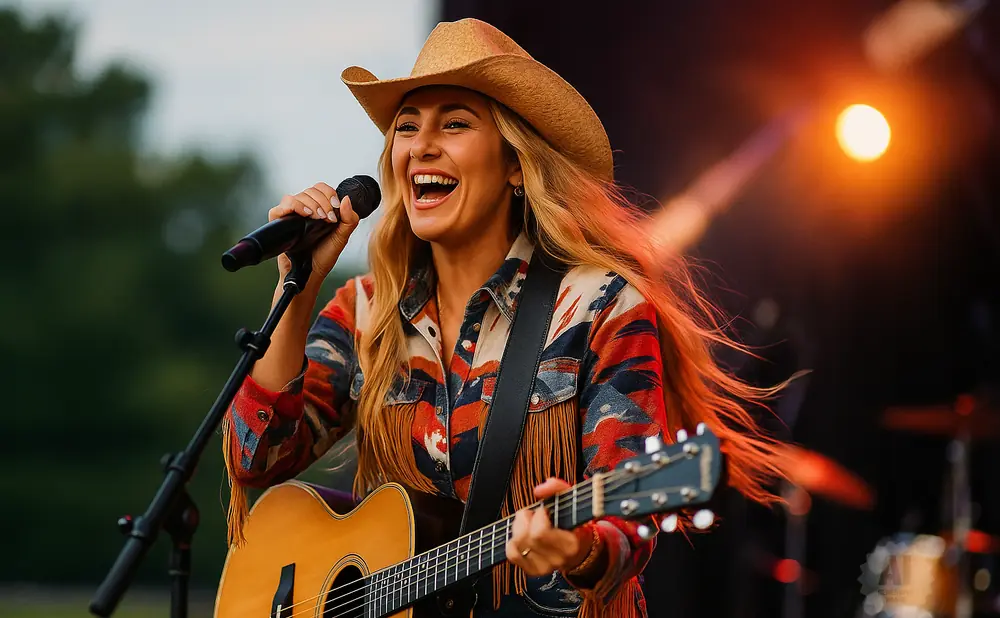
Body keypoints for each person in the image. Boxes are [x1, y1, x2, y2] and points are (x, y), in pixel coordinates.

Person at [222, 18, 786, 618]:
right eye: (407, 127)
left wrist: (577, 545)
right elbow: (255, 457)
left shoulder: (598, 308)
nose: (421, 145)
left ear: (516, 164)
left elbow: (629, 523)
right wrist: (297, 285)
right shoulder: (364, 310)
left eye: (455, 123)